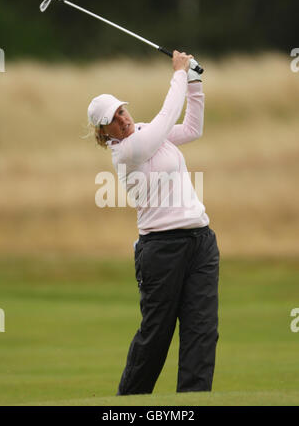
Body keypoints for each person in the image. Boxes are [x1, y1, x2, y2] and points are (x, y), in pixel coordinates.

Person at [87, 51, 220, 395]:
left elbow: (192, 128)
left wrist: (193, 81)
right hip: (161, 249)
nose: (123, 119)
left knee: (201, 331)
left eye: (122, 110)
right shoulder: (127, 152)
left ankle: (194, 404)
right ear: (104, 132)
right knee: (156, 336)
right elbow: (166, 118)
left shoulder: (147, 132)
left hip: (200, 242)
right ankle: (127, 403)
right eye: (113, 119)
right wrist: (178, 72)